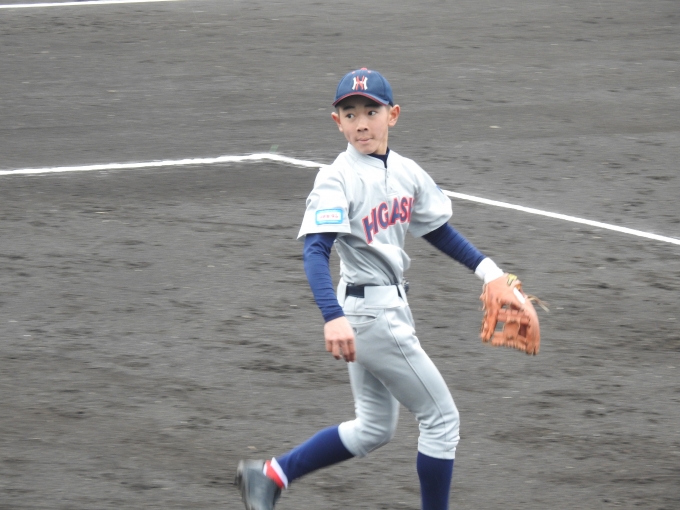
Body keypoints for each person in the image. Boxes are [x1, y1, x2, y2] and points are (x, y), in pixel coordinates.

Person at [235, 68, 508, 510]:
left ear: (392, 115)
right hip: (368, 317)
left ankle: (270, 475)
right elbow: (315, 251)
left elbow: (436, 229)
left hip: (382, 307)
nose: (361, 123)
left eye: (370, 112)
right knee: (441, 420)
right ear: (337, 122)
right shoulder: (337, 178)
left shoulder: (406, 172)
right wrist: (332, 317)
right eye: (350, 114)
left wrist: (490, 272)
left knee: (374, 428)